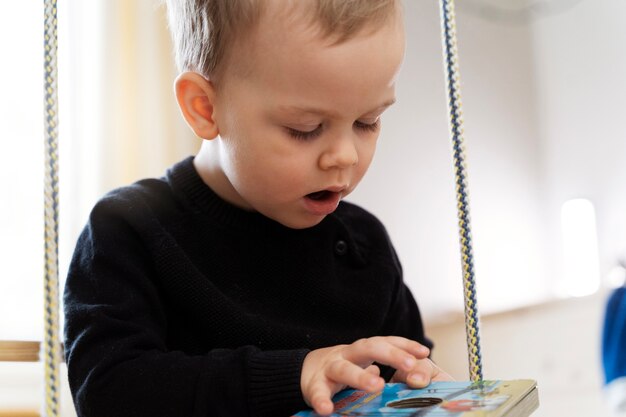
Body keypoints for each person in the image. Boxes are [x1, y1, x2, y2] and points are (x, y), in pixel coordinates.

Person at [63, 1, 453, 416]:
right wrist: (296, 375)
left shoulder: (365, 245)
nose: (344, 156)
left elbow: (407, 372)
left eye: (367, 121)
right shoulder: (128, 230)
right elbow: (109, 391)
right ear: (204, 108)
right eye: (305, 129)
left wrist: (424, 384)